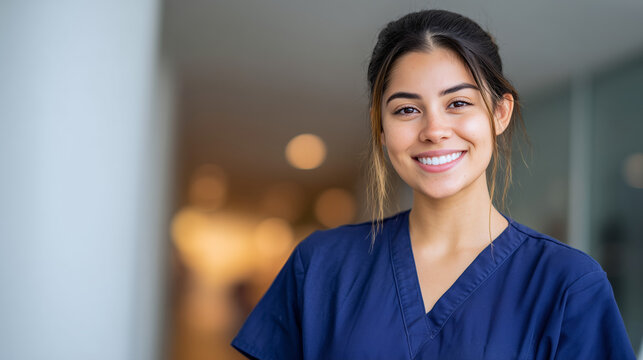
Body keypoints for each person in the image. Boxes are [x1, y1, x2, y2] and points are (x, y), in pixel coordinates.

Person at [231, 9, 636, 359]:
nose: (434, 130)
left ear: (499, 113)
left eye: (458, 103)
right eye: (407, 109)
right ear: (382, 128)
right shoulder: (320, 267)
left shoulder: (567, 283)